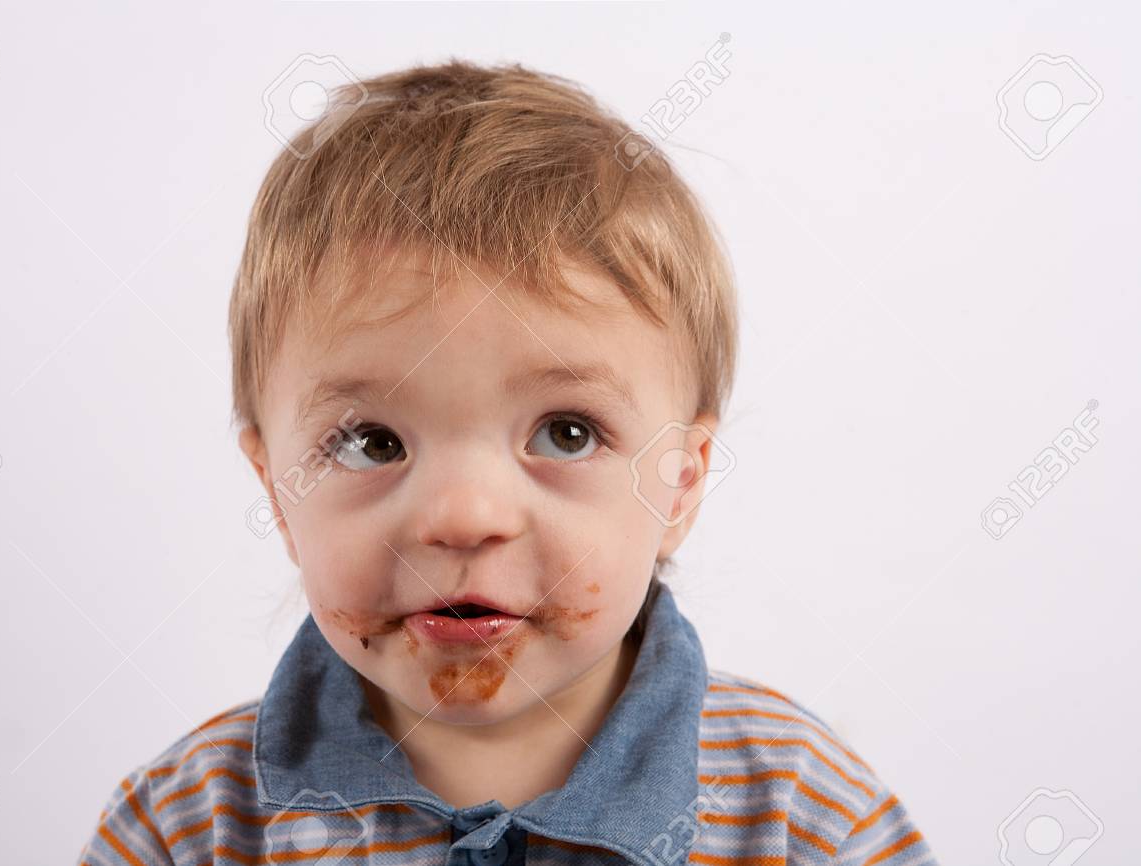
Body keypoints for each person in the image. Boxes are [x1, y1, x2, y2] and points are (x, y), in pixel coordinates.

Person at [78, 59, 937, 866]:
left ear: (680, 482)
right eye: (373, 442)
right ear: (277, 491)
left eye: (566, 433)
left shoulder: (805, 818)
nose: (463, 515)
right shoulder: (188, 826)